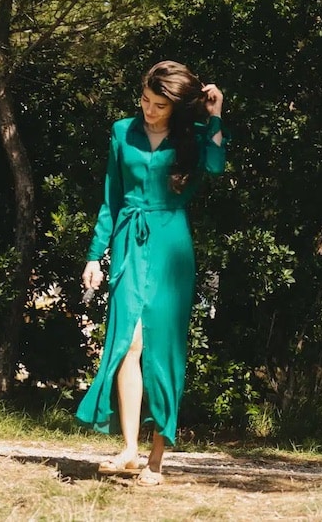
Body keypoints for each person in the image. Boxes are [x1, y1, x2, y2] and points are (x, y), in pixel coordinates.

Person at [76, 60, 227, 487]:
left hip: (171, 244)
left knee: (163, 349)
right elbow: (112, 196)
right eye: (144, 100)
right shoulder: (122, 131)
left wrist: (215, 114)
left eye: (158, 105)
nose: (148, 110)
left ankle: (156, 461)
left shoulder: (196, 138)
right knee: (128, 341)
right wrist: (94, 255)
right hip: (128, 240)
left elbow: (215, 166)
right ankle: (128, 448)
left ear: (176, 108)